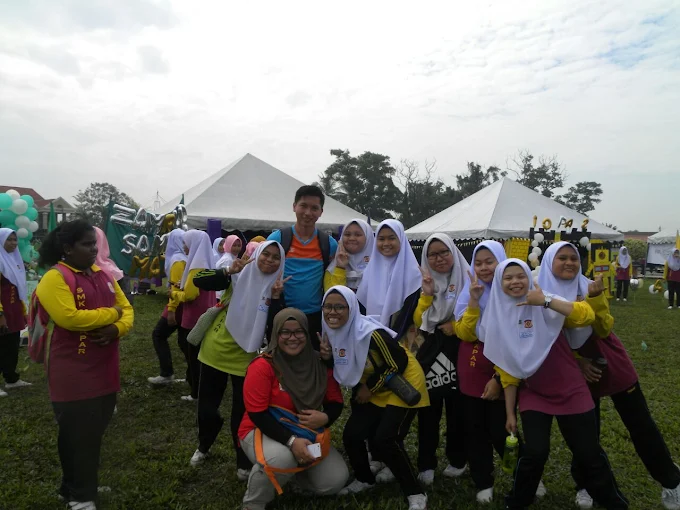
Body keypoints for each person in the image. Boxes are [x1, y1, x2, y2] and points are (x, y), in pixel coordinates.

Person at [537, 241, 680, 510]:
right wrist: (577, 361)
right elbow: (543, 338)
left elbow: (604, 328)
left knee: (640, 423)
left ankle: (672, 481)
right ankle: (586, 485)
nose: (569, 263)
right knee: (587, 432)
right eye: (562, 258)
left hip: (609, 357)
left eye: (574, 258)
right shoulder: (539, 293)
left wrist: (594, 299)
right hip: (572, 365)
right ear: (548, 262)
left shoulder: (589, 286)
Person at [481, 259, 628, 510]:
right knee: (535, 453)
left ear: (529, 277)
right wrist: (510, 413)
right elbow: (508, 371)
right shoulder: (498, 317)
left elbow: (586, 314)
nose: (515, 282)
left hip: (571, 389)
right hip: (535, 393)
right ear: (499, 283)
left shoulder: (545, 300)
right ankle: (516, 503)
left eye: (520, 276)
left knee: (588, 452)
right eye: (508, 278)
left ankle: (615, 503)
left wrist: (546, 301)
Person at [35, 220, 134, 510]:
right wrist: (112, 314)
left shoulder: (103, 274)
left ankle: (76, 484)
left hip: (104, 366)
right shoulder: (55, 277)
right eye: (87, 244)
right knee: (77, 432)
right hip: (72, 370)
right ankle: (81, 495)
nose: (94, 250)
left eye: (95, 244)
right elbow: (69, 318)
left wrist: (116, 328)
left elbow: (128, 310)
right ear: (68, 248)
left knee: (92, 431)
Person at [321, 286, 429, 510]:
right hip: (372, 383)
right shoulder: (332, 331)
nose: (332, 312)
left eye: (339, 307)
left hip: (403, 382)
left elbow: (398, 362)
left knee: (386, 439)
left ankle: (415, 491)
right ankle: (364, 479)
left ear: (352, 308)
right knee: (352, 435)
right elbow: (345, 366)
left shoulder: (371, 334)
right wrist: (328, 357)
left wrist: (370, 387)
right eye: (328, 306)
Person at [189, 241, 287, 482]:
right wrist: (227, 271)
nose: (270, 260)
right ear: (257, 255)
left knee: (242, 414)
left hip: (248, 358)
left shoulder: (276, 287)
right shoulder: (237, 276)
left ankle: (243, 460)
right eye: (266, 254)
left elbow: (275, 327)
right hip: (215, 350)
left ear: (281, 263)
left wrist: (276, 298)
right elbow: (198, 280)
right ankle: (204, 445)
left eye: (276, 257)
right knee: (207, 408)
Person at [238, 308, 349, 509]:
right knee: (281, 458)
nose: (292, 338)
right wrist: (291, 441)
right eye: (285, 332)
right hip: (261, 429)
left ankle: (293, 478)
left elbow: (335, 402)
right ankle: (254, 502)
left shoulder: (319, 363)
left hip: (305, 432)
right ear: (276, 334)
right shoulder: (263, 365)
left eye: (298, 331)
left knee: (334, 481)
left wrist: (326, 417)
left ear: (307, 333)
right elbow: (257, 414)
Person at [412, 234, 468, 486]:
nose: (439, 258)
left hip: (459, 346)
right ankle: (426, 463)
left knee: (458, 408)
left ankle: (458, 458)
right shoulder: (421, 281)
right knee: (428, 408)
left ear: (453, 252)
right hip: (429, 347)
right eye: (432, 254)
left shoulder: (467, 277)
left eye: (444, 252)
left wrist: (456, 325)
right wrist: (426, 294)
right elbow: (417, 319)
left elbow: (480, 312)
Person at [267, 185, 338, 348]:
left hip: (314, 316)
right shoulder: (278, 238)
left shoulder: (329, 244)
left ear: (321, 212)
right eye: (303, 206)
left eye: (314, 208)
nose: (308, 212)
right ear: (294, 207)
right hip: (282, 313)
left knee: (313, 358)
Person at [356, 219, 421, 341]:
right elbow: (361, 306)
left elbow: (408, 312)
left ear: (401, 239)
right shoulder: (370, 271)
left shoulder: (413, 273)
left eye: (391, 238)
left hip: (400, 339)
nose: (386, 243)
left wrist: (391, 339)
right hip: (371, 336)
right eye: (381, 239)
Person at [171, 230, 215, 401]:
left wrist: (174, 293)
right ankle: (195, 382)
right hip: (204, 314)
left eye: (186, 243)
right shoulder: (207, 263)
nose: (184, 246)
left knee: (193, 354)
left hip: (193, 317)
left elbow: (190, 295)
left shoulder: (196, 267)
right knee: (199, 354)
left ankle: (195, 391)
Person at [148, 229, 187, 386]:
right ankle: (194, 376)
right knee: (185, 342)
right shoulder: (186, 257)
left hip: (177, 304)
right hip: (186, 304)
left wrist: (171, 310)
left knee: (158, 335)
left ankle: (167, 374)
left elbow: (176, 287)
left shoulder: (177, 260)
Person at [0, 228, 31, 396]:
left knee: (12, 346)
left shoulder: (15, 260)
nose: (13, 243)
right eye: (9, 239)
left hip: (14, 311)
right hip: (2, 312)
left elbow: (19, 289)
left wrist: (23, 310)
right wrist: (1, 315)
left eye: (15, 239)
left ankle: (11, 379)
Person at [324, 219, 374, 292]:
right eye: (347, 234)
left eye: (358, 235)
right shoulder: (333, 269)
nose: (352, 238)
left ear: (368, 238)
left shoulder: (378, 266)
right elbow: (332, 295)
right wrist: (340, 268)